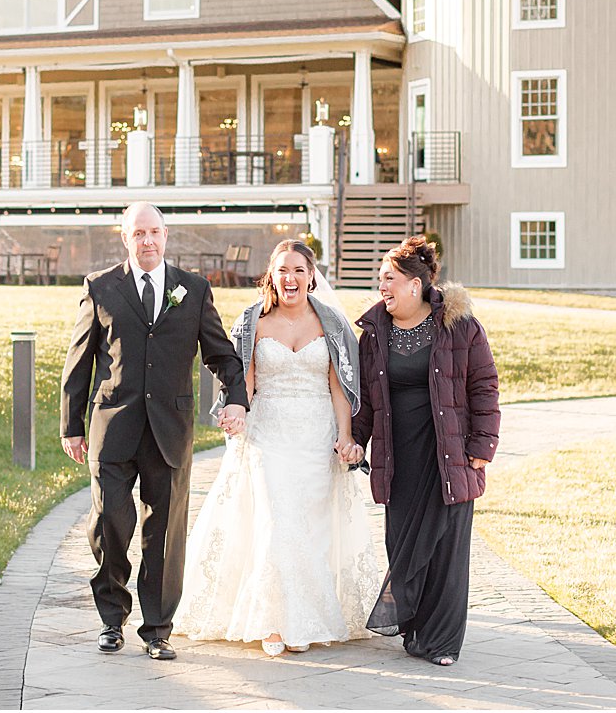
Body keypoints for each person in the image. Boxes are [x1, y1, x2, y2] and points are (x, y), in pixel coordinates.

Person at [60, 202, 249, 661]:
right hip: (112, 424)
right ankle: (111, 618)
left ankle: (158, 628)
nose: (147, 241)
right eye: (138, 233)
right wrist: (71, 424)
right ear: (125, 238)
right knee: (110, 521)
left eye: (154, 233)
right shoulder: (101, 287)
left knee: (164, 531)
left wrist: (237, 397)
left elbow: (221, 354)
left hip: (170, 428)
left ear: (166, 236)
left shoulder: (194, 289)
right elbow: (80, 358)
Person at [174, 240, 379, 656]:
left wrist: (345, 436)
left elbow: (339, 388)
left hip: (317, 434)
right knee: (276, 520)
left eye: (299, 270)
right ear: (272, 276)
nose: (291, 278)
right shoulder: (253, 322)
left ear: (311, 276)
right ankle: (271, 621)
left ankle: (304, 617)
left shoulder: (332, 324)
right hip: (269, 434)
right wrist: (237, 413)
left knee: (310, 527)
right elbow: (243, 382)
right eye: (283, 270)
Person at [351, 235, 500, 667]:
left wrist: (482, 446)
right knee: (403, 546)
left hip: (449, 457)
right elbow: (365, 397)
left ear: (415, 285)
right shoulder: (375, 333)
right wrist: (355, 440)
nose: (382, 287)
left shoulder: (460, 327)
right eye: (380, 279)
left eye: (389, 279)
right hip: (400, 460)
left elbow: (484, 387)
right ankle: (415, 630)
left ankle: (442, 642)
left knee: (446, 549)